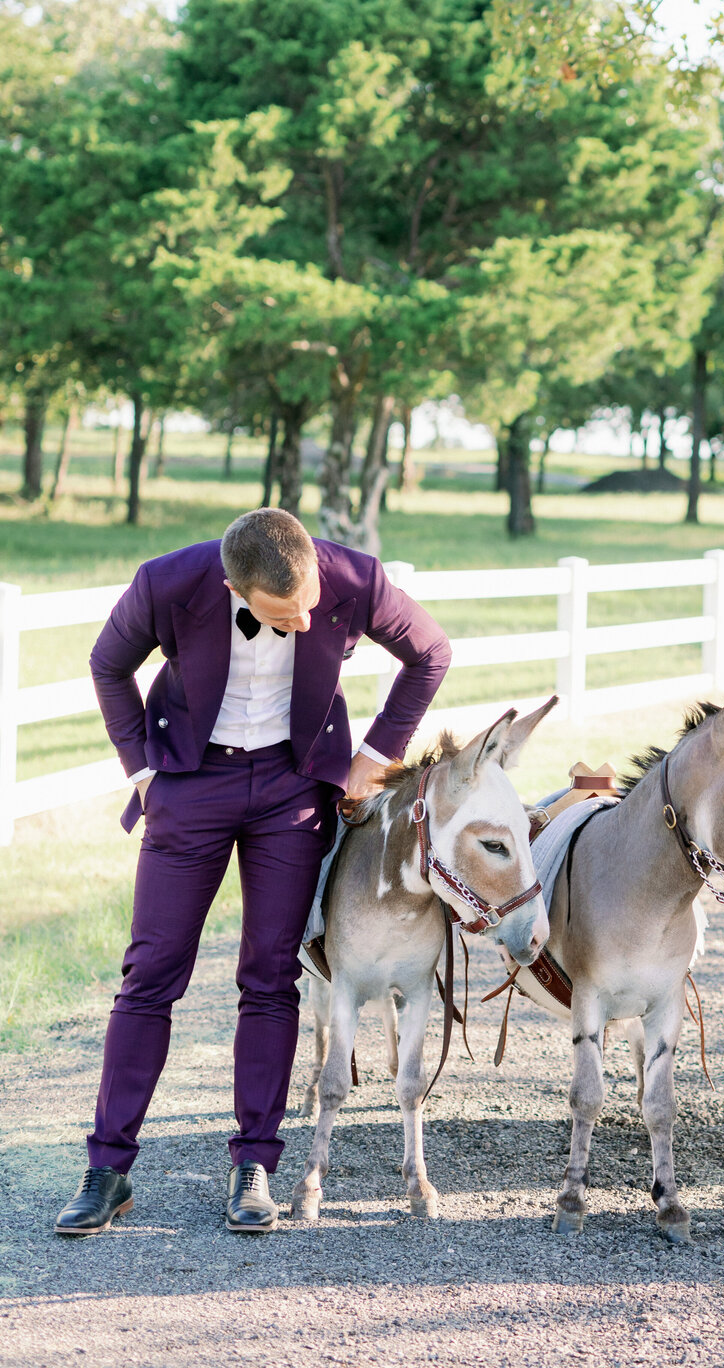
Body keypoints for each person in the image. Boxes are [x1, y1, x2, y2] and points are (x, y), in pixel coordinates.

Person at [54, 508, 451, 1239]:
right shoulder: (166, 583)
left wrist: (377, 753)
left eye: (309, 606)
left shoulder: (352, 577)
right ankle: (108, 1170)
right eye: (283, 613)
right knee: (150, 974)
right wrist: (142, 772)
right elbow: (108, 664)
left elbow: (430, 652)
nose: (304, 621)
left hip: (293, 790)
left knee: (271, 977)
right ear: (233, 586)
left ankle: (254, 1166)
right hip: (189, 782)